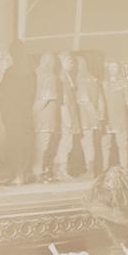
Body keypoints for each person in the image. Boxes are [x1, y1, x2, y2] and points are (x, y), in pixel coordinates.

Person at [0, 39, 35, 186]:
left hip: (13, 114)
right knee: (24, 144)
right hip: (26, 113)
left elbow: (2, 91)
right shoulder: (30, 71)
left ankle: (18, 176)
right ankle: (23, 174)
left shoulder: (11, 71)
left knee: (15, 144)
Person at [32, 52, 60, 183]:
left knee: (39, 145)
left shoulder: (35, 73)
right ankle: (38, 172)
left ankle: (40, 170)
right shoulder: (50, 76)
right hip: (45, 115)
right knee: (43, 145)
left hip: (37, 113)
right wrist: (34, 112)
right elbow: (46, 97)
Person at [54, 52, 82, 180]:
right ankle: (61, 170)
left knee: (67, 141)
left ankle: (62, 169)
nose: (72, 64)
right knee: (65, 141)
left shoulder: (67, 76)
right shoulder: (62, 77)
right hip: (66, 114)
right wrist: (68, 118)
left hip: (69, 113)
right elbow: (64, 100)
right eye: (68, 61)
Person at [75, 55, 104, 176]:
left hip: (85, 116)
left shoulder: (81, 79)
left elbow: (85, 99)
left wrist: (94, 113)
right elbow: (100, 99)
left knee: (87, 142)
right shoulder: (93, 79)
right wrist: (100, 114)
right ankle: (93, 168)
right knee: (91, 142)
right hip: (93, 115)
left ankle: (90, 169)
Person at [101, 61, 128, 170]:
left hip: (120, 118)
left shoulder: (124, 83)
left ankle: (124, 168)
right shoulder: (103, 83)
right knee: (105, 144)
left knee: (122, 144)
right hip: (107, 118)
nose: (113, 69)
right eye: (111, 67)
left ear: (118, 69)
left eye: (115, 67)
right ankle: (104, 169)